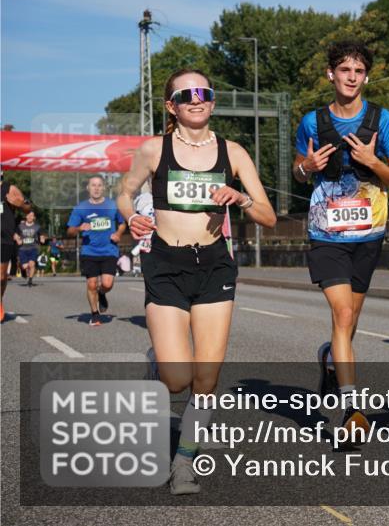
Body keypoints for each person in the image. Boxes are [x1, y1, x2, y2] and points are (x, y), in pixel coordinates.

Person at [118, 68, 275, 495]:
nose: (196, 98)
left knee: (206, 377)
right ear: (172, 105)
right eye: (186, 94)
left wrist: (240, 198)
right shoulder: (154, 150)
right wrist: (130, 215)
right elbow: (124, 190)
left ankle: (183, 462)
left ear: (212, 99)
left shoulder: (234, 153)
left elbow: (268, 215)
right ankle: (157, 365)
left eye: (203, 91)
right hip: (166, 264)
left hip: (214, 267)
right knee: (176, 379)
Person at [292, 40, 389, 439]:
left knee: (351, 320)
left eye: (358, 71)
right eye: (344, 70)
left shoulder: (382, 120)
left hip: (368, 231)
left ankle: (329, 358)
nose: (351, 77)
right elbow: (298, 170)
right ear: (331, 74)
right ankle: (353, 410)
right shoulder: (312, 121)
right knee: (342, 315)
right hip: (326, 232)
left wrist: (373, 162)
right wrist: (307, 166)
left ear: (366, 77)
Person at [67, 175, 126, 326]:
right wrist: (79, 228)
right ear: (88, 188)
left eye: (99, 185)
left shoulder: (112, 205)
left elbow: (122, 223)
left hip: (109, 250)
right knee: (91, 284)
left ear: (104, 188)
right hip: (89, 251)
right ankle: (94, 314)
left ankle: (102, 293)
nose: (96, 188)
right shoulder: (80, 208)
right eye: (93, 185)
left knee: (107, 284)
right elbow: (70, 231)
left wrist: (118, 234)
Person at [1, 176, 32, 320]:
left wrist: (22, 204)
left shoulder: (9, 188)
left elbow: (27, 208)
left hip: (4, 238)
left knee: (1, 277)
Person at [16, 210, 42, 287]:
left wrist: (42, 238)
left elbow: (42, 235)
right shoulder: (20, 226)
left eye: (32, 215)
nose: (30, 217)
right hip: (22, 249)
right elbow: (15, 235)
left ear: (34, 217)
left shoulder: (37, 227)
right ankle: (23, 271)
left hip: (33, 248)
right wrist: (18, 239)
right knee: (24, 266)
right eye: (28, 215)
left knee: (31, 264)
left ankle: (30, 280)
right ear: (26, 216)